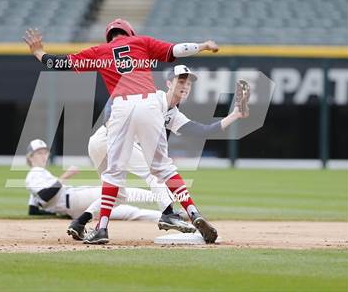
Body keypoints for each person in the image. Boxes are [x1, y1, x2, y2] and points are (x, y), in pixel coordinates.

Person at [23, 18, 221, 244]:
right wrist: (203, 46)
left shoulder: (100, 51)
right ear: (129, 32)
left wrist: (39, 52)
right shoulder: (142, 42)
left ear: (110, 36)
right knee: (164, 169)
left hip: (121, 106)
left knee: (114, 174)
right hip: (149, 103)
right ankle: (193, 213)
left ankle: (102, 228)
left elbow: (60, 63)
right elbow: (177, 49)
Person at [68, 65, 250, 240]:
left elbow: (203, 131)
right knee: (155, 172)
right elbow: (115, 96)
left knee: (117, 194)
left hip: (100, 143)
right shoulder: (152, 97)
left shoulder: (173, 114)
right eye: (180, 81)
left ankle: (80, 222)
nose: (185, 86)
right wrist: (109, 121)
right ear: (169, 84)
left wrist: (235, 114)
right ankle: (168, 214)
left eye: (188, 83)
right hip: (107, 138)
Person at [25, 139, 174, 223]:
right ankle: (170, 204)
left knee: (128, 212)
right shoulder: (35, 173)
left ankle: (175, 216)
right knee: (124, 193)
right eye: (38, 153)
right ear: (30, 157)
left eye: (45, 152)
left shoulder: (40, 175)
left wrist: (58, 211)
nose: (43, 156)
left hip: (73, 209)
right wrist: (65, 176)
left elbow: (34, 210)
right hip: (75, 199)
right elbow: (46, 195)